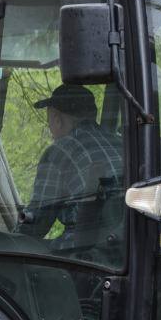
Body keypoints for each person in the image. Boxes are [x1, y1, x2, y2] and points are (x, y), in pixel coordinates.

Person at [19, 84, 124, 243]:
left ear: (57, 120)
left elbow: (36, 224)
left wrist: (9, 239)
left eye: (50, 122)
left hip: (87, 249)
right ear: (93, 114)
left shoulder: (59, 152)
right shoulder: (121, 143)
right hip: (124, 245)